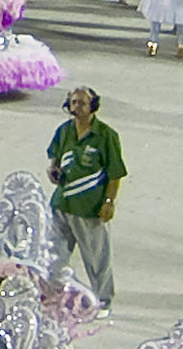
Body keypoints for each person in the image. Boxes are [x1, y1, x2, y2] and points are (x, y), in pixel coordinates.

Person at [46, 84, 125, 306]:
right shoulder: (64, 131)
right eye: (73, 102)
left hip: (89, 209)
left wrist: (109, 202)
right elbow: (55, 157)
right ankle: (53, 294)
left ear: (93, 106)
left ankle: (103, 300)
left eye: (82, 102)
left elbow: (115, 173)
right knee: (54, 253)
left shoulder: (106, 136)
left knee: (97, 259)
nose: (76, 107)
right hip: (63, 205)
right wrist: (53, 170)